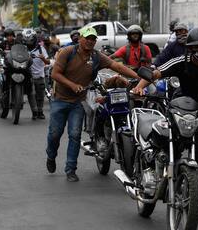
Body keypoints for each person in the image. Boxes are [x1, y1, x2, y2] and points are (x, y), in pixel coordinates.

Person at [133, 27, 198, 230]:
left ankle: (195, 199)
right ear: (189, 49)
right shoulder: (181, 62)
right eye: (196, 47)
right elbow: (156, 73)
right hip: (184, 115)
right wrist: (140, 86)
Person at [46, 27, 139, 182]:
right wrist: (72, 85)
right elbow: (55, 74)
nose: (90, 41)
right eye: (87, 38)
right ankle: (51, 155)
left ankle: (70, 170)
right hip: (60, 100)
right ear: (80, 38)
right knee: (55, 134)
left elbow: (117, 67)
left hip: (78, 102)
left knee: (75, 135)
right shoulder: (67, 52)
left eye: (93, 39)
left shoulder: (96, 56)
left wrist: (140, 77)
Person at [24, 29, 50, 120]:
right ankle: (34, 112)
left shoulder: (41, 49)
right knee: (31, 94)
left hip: (39, 75)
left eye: (30, 40)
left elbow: (48, 61)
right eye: (26, 40)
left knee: (40, 95)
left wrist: (43, 59)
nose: (29, 42)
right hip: (28, 75)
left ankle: (40, 111)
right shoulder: (24, 49)